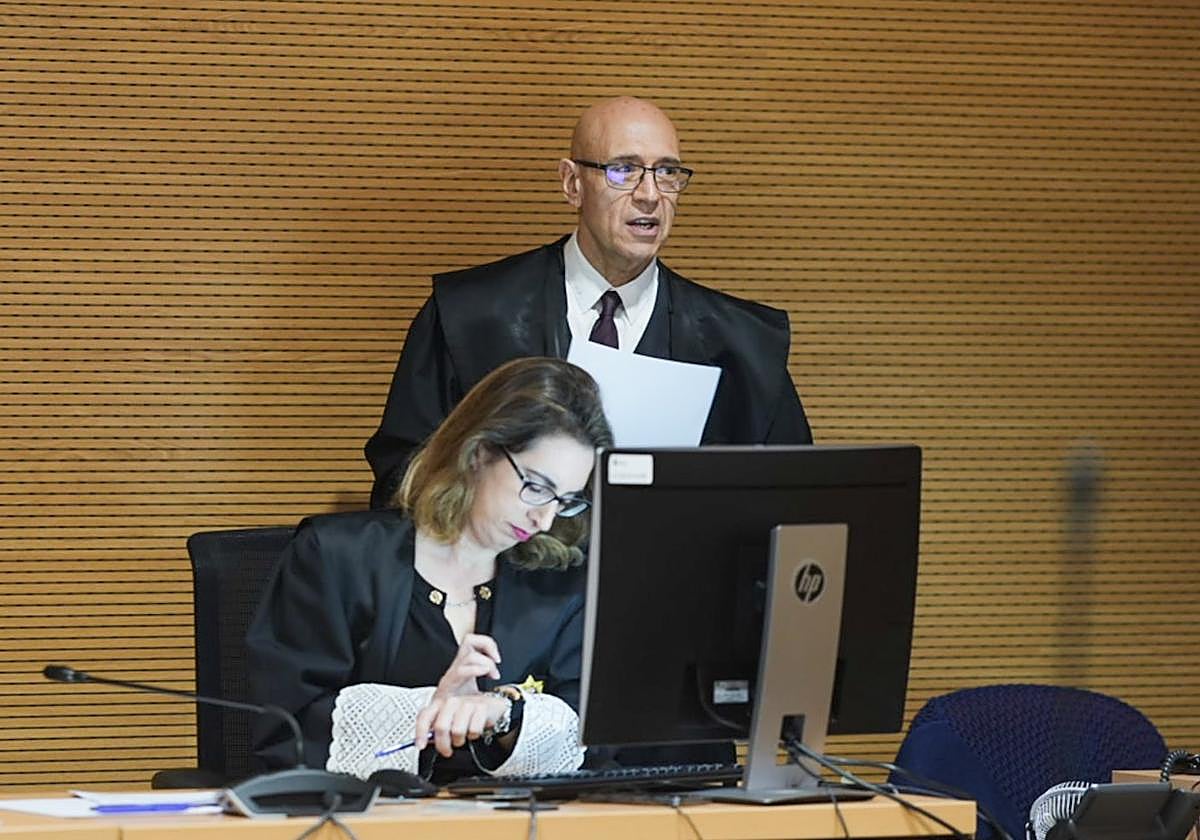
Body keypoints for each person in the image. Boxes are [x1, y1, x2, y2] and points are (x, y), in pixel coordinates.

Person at [365, 95, 812, 509]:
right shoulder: (469, 315)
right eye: (623, 170)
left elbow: (794, 496)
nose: (650, 194)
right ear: (572, 184)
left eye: (667, 172)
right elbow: (404, 474)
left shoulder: (746, 346)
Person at [246, 357, 613, 783]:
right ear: (478, 453)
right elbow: (286, 728)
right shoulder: (334, 557)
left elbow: (594, 742)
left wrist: (503, 715)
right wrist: (430, 711)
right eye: (535, 487)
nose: (545, 520)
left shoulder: (562, 583)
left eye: (565, 500)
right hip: (368, 812)